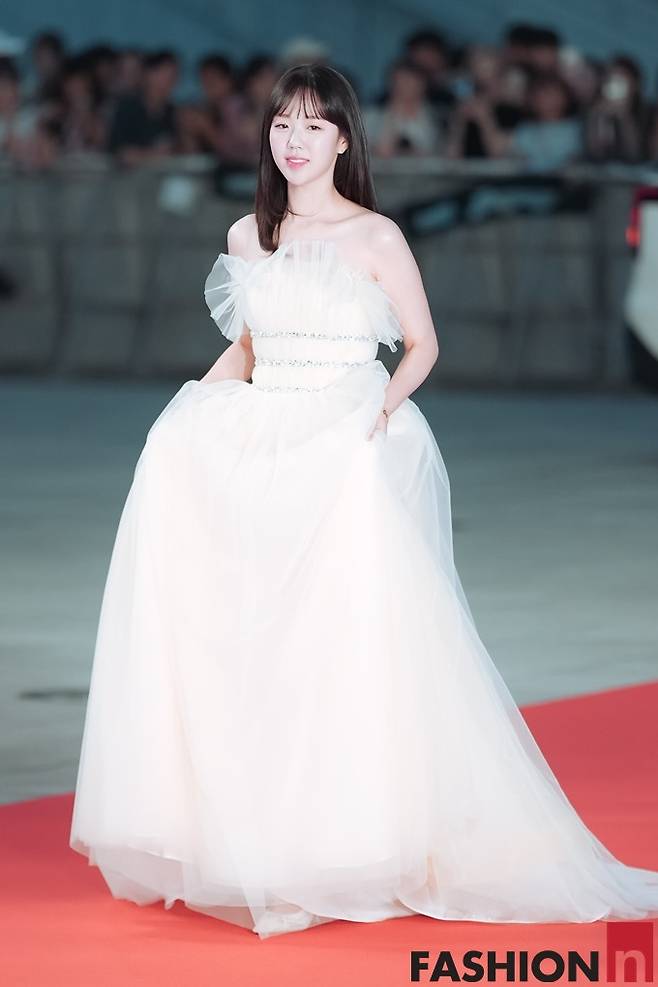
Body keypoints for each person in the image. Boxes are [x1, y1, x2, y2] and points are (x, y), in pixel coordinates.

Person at [68, 62, 658, 940]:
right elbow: (249, 348)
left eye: (313, 125)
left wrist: (376, 412)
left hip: (345, 431)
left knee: (340, 637)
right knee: (254, 631)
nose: (294, 140)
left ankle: (349, 840)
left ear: (343, 139)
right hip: (266, 433)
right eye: (282, 124)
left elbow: (421, 344)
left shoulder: (376, 235)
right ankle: (260, 833)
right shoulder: (247, 234)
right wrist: (184, 415)